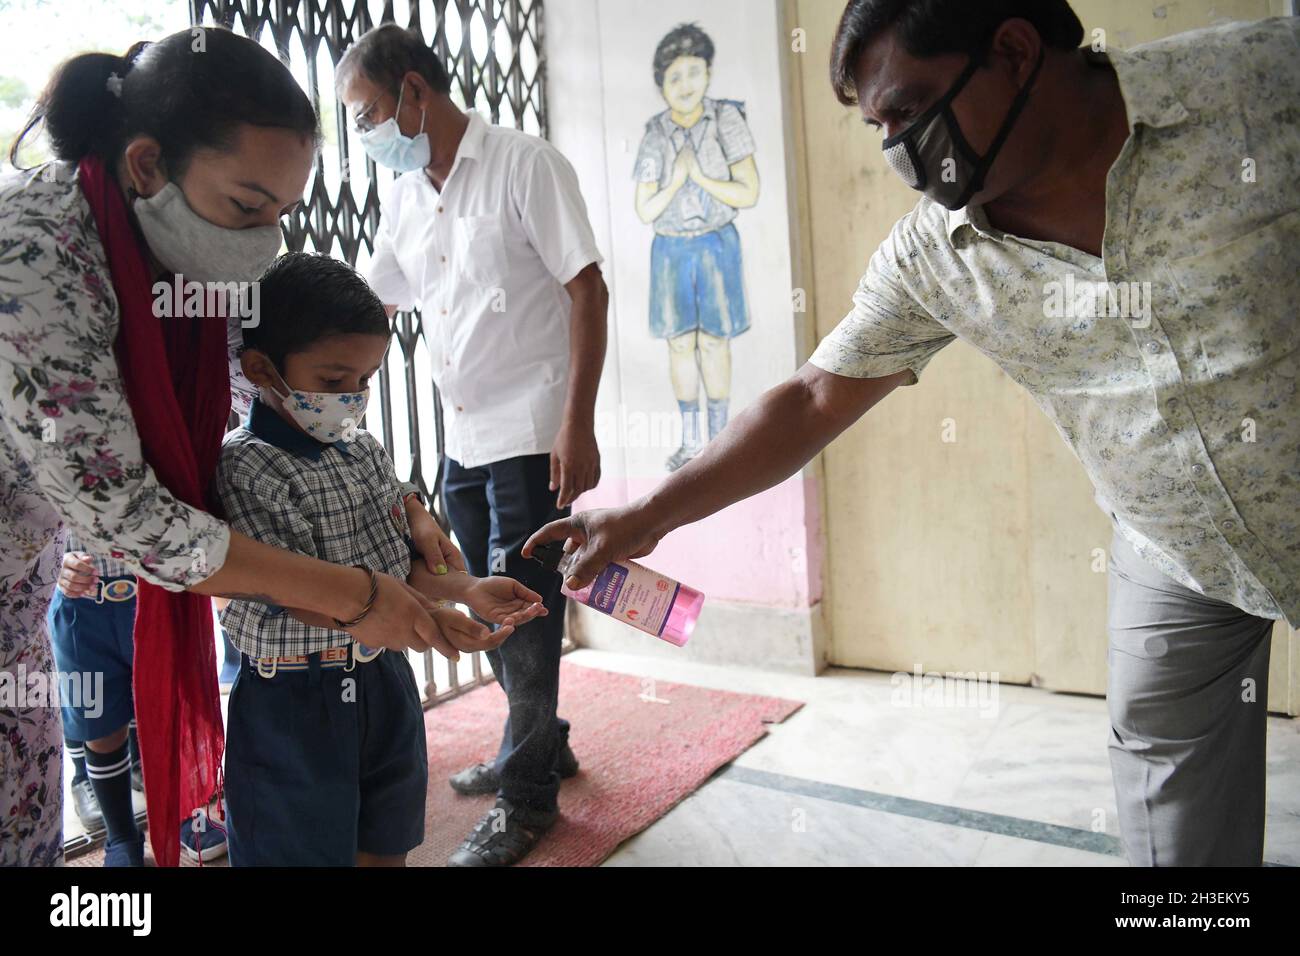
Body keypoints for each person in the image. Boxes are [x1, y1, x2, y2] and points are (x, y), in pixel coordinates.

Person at [525, 2, 1300, 867]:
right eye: (878, 129)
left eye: (909, 109)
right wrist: (646, 516)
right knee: (1178, 836)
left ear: (1013, 50)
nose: (899, 150)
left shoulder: (1261, 85)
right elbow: (815, 397)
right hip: (1173, 551)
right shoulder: (937, 255)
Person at [0, 27, 459, 867]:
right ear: (147, 166)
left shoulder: (185, 257)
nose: (265, 241)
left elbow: (282, 391)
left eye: (283, 214)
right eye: (249, 207)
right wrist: (361, 595)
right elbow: (133, 518)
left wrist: (408, 510)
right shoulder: (30, 260)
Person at [337, 24, 609, 866]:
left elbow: (587, 289)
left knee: (525, 615)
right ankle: (544, 742)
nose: (365, 134)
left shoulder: (526, 164)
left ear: (415, 91)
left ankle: (528, 800)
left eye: (369, 112)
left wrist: (578, 422)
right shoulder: (409, 192)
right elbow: (371, 302)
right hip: (463, 435)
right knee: (480, 598)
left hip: (533, 433)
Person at [217, 252, 547, 866]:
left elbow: (395, 561)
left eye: (365, 382)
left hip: (385, 683)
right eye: (334, 380)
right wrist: (422, 619)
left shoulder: (360, 450)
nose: (352, 398)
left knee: (385, 843)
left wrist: (465, 589)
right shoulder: (249, 466)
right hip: (294, 702)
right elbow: (292, 592)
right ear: (262, 369)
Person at [634, 22, 759, 470]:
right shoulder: (654, 134)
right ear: (661, 85)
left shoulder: (727, 119)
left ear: (708, 73)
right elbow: (645, 209)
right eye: (674, 77)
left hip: (716, 245)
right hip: (669, 250)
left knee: (715, 343)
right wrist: (676, 180)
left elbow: (749, 192)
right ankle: (691, 443)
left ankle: (722, 441)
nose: (685, 85)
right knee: (680, 345)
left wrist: (702, 177)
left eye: (694, 72)